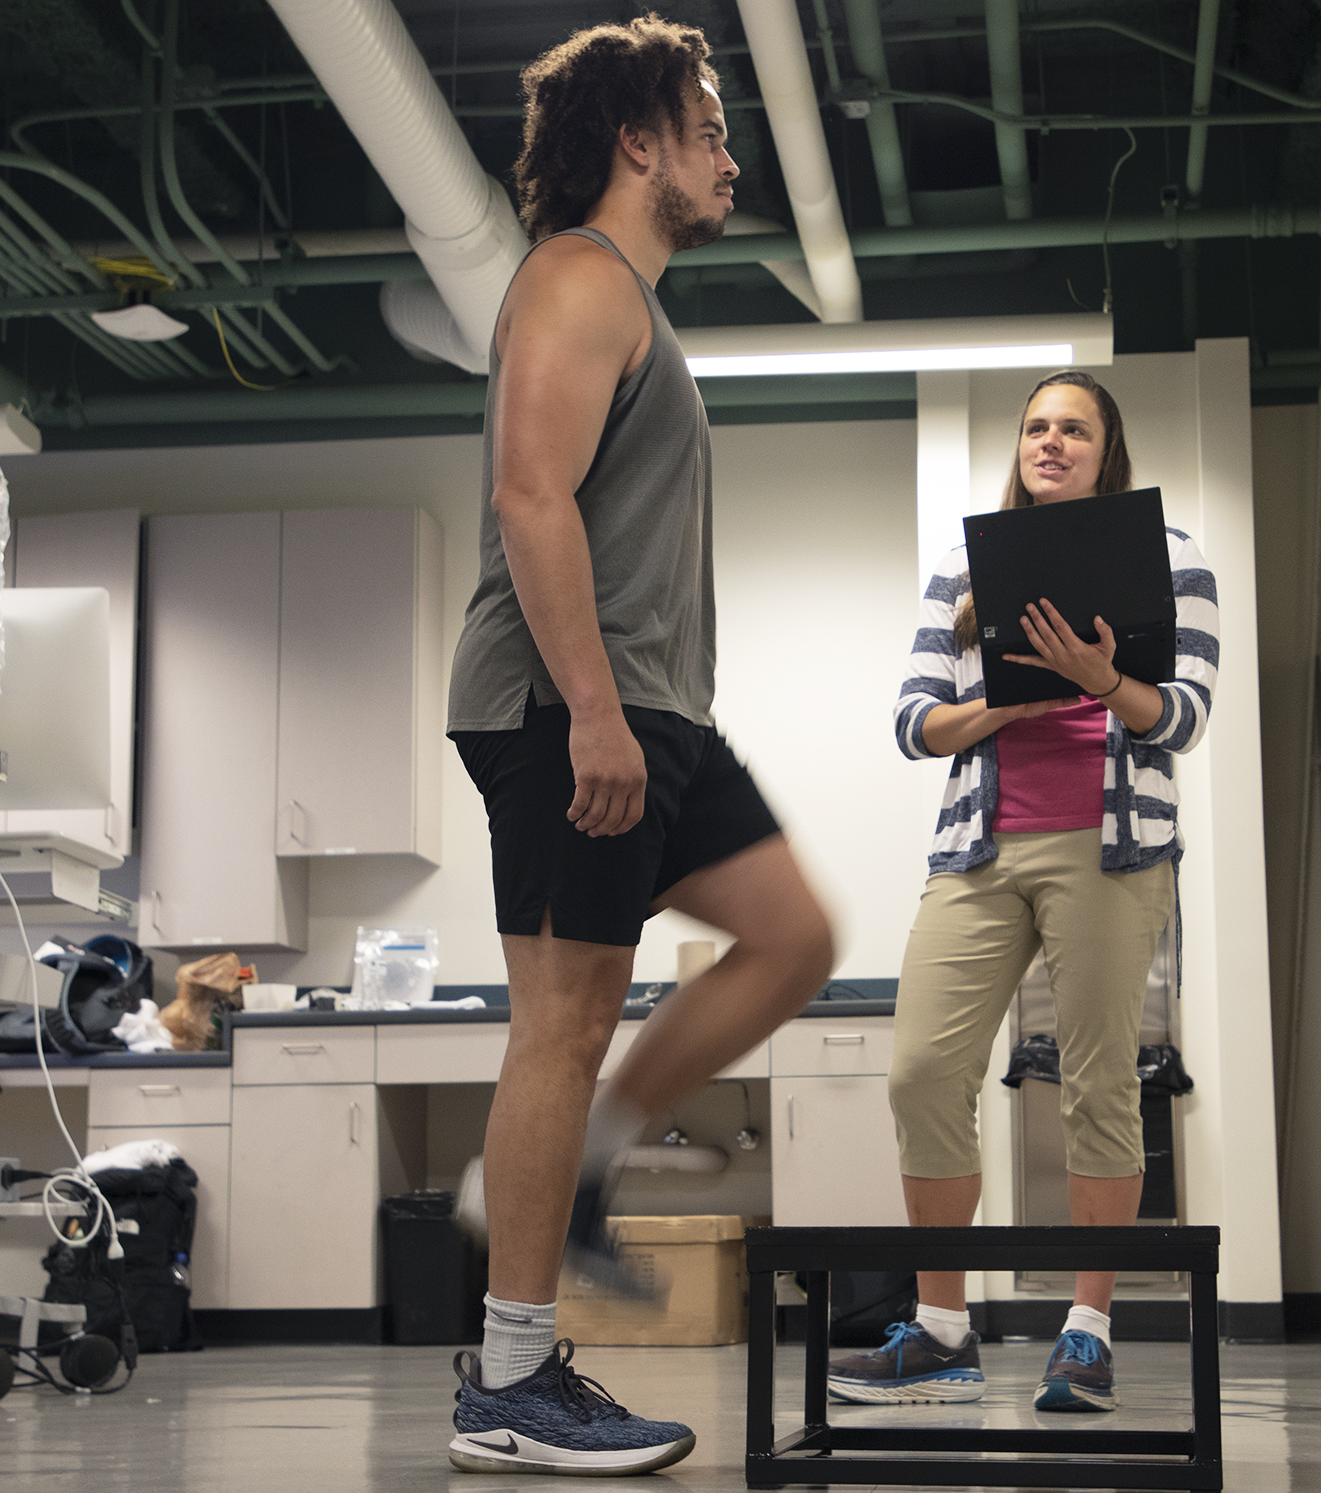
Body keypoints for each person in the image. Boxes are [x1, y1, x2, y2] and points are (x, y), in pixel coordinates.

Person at [442, 14, 836, 1479]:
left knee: (790, 934)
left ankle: (586, 1167)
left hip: (654, 709)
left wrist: (637, 712)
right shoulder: (576, 278)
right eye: (711, 127)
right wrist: (595, 711)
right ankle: (511, 1376)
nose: (730, 156)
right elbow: (531, 497)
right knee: (563, 1018)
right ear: (637, 141)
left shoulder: (638, 305)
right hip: (569, 707)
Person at [827, 371, 1218, 1414]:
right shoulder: (961, 570)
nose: (1050, 441)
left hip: (1110, 846)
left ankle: (1084, 1333)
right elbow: (913, 722)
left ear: (1105, 449)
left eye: (1073, 428)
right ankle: (943, 1331)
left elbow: (1179, 715)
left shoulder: (1174, 559)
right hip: (978, 850)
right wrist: (1005, 700)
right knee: (919, 1070)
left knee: (1097, 1083)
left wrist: (1096, 680)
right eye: (1036, 426)